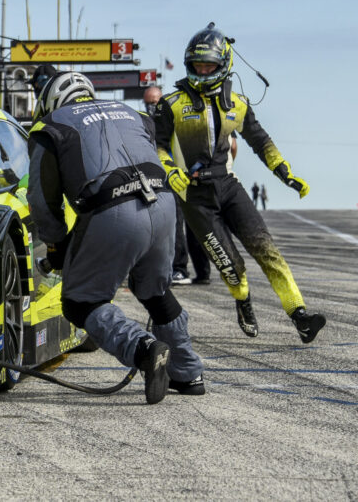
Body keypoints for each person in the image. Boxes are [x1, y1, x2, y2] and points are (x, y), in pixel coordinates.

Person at [28, 71, 205, 404]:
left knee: (80, 302)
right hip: (163, 203)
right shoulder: (133, 114)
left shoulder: (50, 127)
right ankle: (188, 373)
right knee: (156, 290)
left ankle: (144, 349)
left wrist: (56, 246)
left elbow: (42, 201)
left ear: (50, 101)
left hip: (112, 210)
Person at [154, 24, 325, 343]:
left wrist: (285, 172)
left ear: (224, 65)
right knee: (234, 269)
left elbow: (261, 142)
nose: (203, 71)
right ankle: (243, 301)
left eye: (209, 66)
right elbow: (157, 145)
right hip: (194, 198)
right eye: (197, 65)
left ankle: (300, 316)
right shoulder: (170, 103)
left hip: (228, 186)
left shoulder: (239, 103)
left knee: (268, 251)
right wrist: (169, 170)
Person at [144, 85, 192, 286]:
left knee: (175, 224)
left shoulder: (175, 119)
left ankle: (180, 269)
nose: (152, 107)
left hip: (173, 178)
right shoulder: (144, 123)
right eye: (148, 103)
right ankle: (154, 269)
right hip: (152, 179)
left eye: (155, 102)